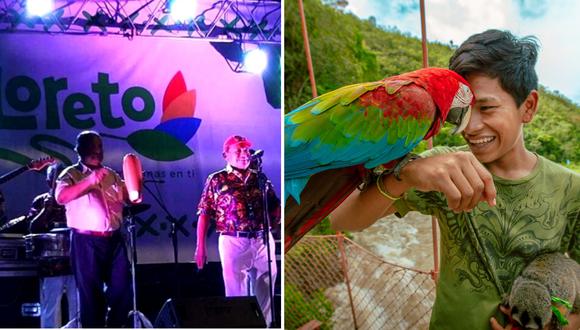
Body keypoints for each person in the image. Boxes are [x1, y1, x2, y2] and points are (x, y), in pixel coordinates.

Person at [329, 29, 579, 330]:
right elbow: (341, 220)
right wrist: (406, 174)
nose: (469, 127)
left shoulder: (571, 188)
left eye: (486, 108)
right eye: (461, 111)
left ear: (528, 107)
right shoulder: (442, 166)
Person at [195, 135, 281, 326]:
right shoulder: (217, 179)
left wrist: (276, 222)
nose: (244, 154)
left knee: (266, 287)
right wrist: (200, 247)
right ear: (226, 155)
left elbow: (275, 206)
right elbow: (204, 212)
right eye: (238, 150)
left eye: (246, 150)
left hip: (261, 239)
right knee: (236, 293)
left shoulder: (260, 178)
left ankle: (263, 326)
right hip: (233, 240)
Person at [55, 130, 132, 328]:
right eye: (91, 146)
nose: (96, 150)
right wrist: (90, 181)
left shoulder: (112, 174)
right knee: (91, 295)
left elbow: (128, 196)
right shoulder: (71, 174)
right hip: (85, 241)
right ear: (79, 150)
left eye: (99, 146)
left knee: (122, 289)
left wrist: (134, 184)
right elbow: (61, 197)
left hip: (114, 239)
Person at [27, 162, 78, 328]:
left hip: (74, 262)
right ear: (48, 181)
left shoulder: (74, 198)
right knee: (50, 308)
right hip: (51, 265)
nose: (57, 182)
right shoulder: (41, 201)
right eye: (54, 179)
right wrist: (45, 210)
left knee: (77, 308)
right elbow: (32, 228)